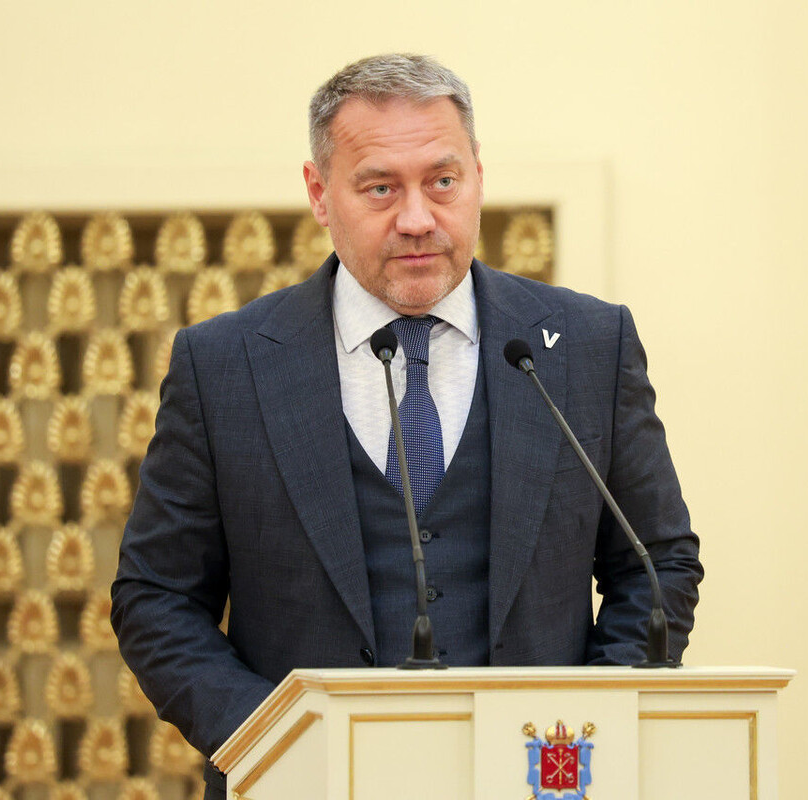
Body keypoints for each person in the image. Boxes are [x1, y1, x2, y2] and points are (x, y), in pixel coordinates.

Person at [111, 53, 702, 799]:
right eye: (381, 188)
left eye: (442, 182)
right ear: (319, 193)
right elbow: (156, 597)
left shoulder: (587, 346)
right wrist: (274, 743)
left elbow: (657, 564)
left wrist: (583, 736)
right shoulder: (223, 365)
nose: (418, 219)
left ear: (478, 177)